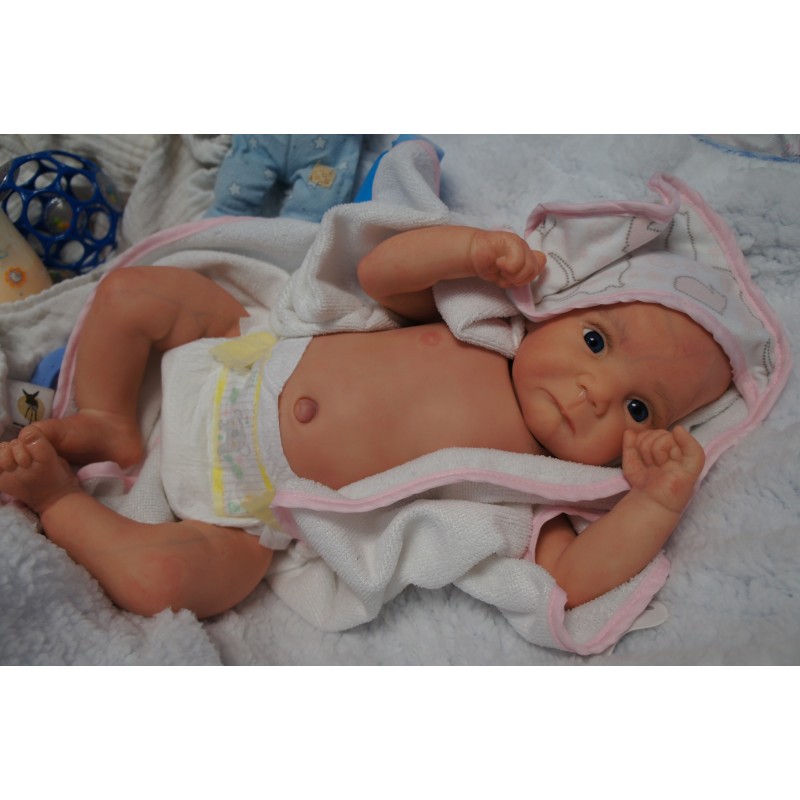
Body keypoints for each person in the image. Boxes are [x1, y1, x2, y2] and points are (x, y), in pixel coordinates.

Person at [0, 224, 732, 622]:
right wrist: (467, 251)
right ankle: (108, 420)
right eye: (596, 341)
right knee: (131, 294)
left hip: (248, 515)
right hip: (239, 352)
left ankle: (58, 499)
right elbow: (381, 273)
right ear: (557, 311)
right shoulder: (474, 323)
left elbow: (569, 576)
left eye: (639, 408)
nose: (595, 391)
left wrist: (654, 504)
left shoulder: (530, 489)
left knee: (160, 580)